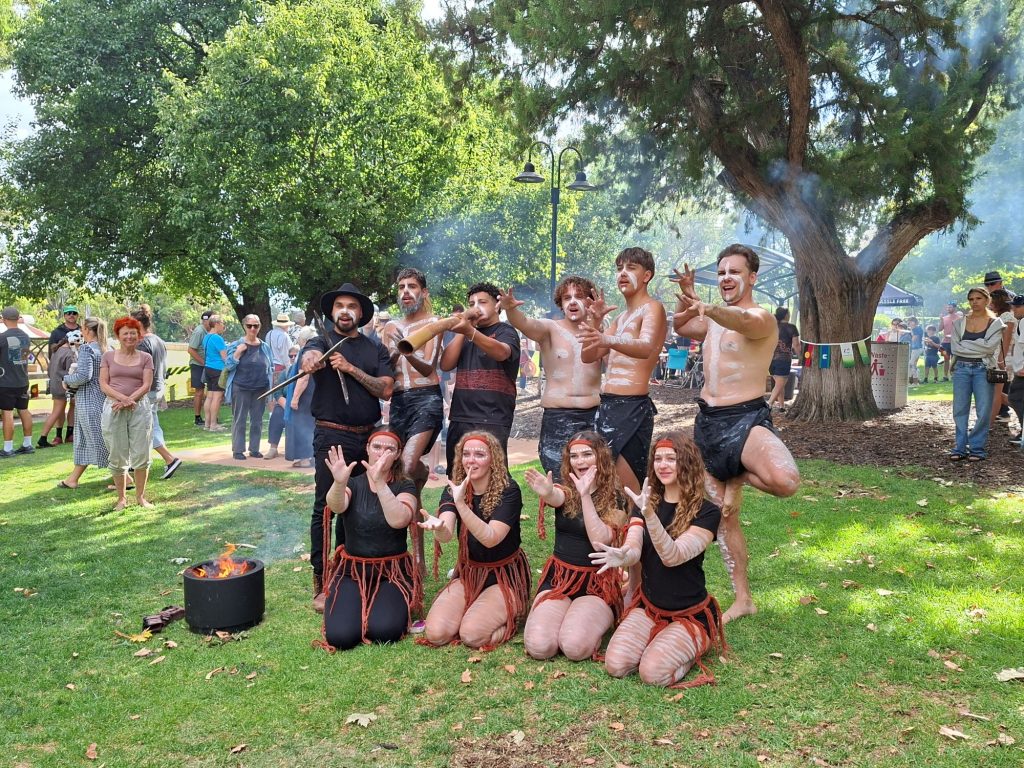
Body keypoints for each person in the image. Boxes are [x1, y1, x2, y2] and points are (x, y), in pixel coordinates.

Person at [672, 244, 800, 623]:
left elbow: (745, 323)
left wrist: (708, 306)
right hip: (708, 423)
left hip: (744, 419)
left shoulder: (762, 317)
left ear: (752, 277)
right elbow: (681, 326)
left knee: (786, 481)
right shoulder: (713, 320)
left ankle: (737, 475)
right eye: (722, 271)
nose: (727, 277)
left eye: (735, 271)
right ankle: (743, 598)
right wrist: (687, 299)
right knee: (724, 519)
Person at [593, 432, 726, 688]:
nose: (662, 465)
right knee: (616, 665)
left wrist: (650, 516)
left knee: (653, 674)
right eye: (658, 458)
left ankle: (696, 642)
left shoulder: (706, 512)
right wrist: (623, 555)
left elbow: (672, 557)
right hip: (650, 607)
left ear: (686, 463)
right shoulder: (646, 504)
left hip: (690, 613)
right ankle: (662, 641)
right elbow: (634, 545)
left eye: (671, 459)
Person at [299, 283, 394, 612]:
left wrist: (351, 369)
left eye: (351, 306)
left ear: (360, 314)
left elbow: (385, 389)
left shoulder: (374, 349)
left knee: (356, 505)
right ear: (331, 312)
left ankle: (348, 571)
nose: (344, 310)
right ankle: (322, 578)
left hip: (367, 438)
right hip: (331, 435)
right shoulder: (319, 342)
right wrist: (312, 362)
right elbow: (308, 356)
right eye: (339, 305)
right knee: (326, 507)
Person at [418, 431, 530, 649]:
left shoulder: (509, 490)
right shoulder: (455, 489)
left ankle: (512, 613)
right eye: (466, 454)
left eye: (480, 454)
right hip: (470, 572)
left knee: (472, 635)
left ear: (493, 459)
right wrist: (438, 529)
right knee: (436, 633)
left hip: (504, 576)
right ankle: (478, 609)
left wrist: (461, 505)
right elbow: (447, 534)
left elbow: (491, 538)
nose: (471, 460)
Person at [522, 431, 626, 661]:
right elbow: (556, 497)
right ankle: (567, 614)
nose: (580, 462)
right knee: (540, 647)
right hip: (560, 579)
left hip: (596, 584)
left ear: (600, 457)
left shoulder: (617, 498)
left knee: (574, 648)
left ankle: (595, 620)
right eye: (574, 456)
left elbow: (600, 541)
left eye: (587, 454)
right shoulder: (567, 490)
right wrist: (548, 492)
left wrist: (586, 495)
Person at [318, 431, 420, 650]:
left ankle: (378, 603)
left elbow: (399, 520)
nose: (382, 453)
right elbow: (336, 506)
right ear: (367, 449)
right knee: (341, 637)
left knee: (385, 632)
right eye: (377, 447)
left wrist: (380, 483)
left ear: (398, 454)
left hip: (392, 572)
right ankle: (362, 603)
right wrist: (338, 482)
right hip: (352, 572)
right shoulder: (353, 484)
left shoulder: (405, 485)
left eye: (389, 449)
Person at [579, 247, 667, 494]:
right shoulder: (619, 319)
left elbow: (646, 347)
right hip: (607, 406)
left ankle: (637, 530)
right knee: (607, 483)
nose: (623, 274)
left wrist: (606, 340)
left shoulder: (653, 308)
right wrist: (595, 321)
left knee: (627, 488)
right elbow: (588, 356)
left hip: (632, 406)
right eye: (619, 268)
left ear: (647, 275)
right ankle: (618, 531)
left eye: (631, 268)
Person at [499, 276, 603, 480]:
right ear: (561, 304)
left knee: (595, 484)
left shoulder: (600, 332)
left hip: (594, 417)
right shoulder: (549, 328)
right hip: (557, 417)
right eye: (567, 298)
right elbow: (524, 322)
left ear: (590, 300)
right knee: (560, 482)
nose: (572, 301)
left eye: (579, 296)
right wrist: (511, 309)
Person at [439, 282, 520, 472]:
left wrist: (470, 331)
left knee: (493, 477)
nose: (476, 307)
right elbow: (446, 365)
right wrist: (463, 330)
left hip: (492, 419)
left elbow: (501, 352)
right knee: (458, 473)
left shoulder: (506, 331)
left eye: (482, 302)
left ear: (497, 306)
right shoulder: (465, 335)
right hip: (460, 417)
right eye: (472, 303)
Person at [99, 316, 155, 511]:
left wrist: (130, 400)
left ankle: (140, 497)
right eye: (125, 333)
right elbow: (103, 383)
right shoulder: (107, 356)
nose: (129, 336)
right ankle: (121, 498)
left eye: (133, 332)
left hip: (139, 408)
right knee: (116, 453)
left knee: (142, 453)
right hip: (114, 407)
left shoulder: (146, 358)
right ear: (118, 335)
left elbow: (146, 385)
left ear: (138, 335)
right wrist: (122, 399)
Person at [949, 287, 1006, 461]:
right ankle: (959, 447)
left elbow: (989, 348)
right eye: (971, 299)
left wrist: (966, 345)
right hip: (961, 369)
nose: (974, 302)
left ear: (987, 300)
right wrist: (978, 346)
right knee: (959, 409)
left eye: (978, 298)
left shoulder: (996, 323)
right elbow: (955, 348)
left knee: (983, 410)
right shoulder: (960, 322)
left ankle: (977, 448)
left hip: (983, 369)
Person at [58, 318, 110, 488]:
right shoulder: (106, 349)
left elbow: (83, 376)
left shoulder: (87, 349)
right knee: (84, 441)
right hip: (101, 398)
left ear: (87, 329)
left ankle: (126, 477)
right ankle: (72, 479)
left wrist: (66, 379)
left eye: (82, 329)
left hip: (89, 400)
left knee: (100, 441)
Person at [132, 306, 183, 480]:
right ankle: (135, 464)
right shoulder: (158, 340)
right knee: (151, 425)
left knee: (146, 427)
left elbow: (139, 369)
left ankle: (170, 459)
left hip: (147, 390)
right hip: (157, 388)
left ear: (138, 323)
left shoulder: (143, 343)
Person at [224, 314, 273, 461]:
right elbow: (228, 365)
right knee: (240, 419)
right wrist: (238, 352)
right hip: (241, 387)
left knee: (257, 420)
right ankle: (238, 450)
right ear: (244, 326)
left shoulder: (265, 347)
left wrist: (270, 389)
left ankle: (254, 449)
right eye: (249, 326)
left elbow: (270, 368)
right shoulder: (236, 345)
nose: (253, 329)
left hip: (260, 388)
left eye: (256, 326)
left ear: (259, 327)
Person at [0, 306, 35, 457]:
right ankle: (27, 444)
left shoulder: (2, 337)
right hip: (22, 379)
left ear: (3, 319)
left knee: (6, 412)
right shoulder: (26, 336)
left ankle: (8, 448)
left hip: (6, 380)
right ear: (18, 318)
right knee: (24, 410)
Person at [37, 331, 80, 448]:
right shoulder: (69, 354)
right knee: (57, 411)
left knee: (60, 410)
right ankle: (43, 438)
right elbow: (72, 371)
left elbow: (49, 369)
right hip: (63, 386)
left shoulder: (57, 351)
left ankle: (60, 435)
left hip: (55, 385)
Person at [285, 330, 317, 467]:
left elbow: (303, 377)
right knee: (311, 426)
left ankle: (304, 458)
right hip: (315, 396)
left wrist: (295, 398)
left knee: (302, 426)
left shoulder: (306, 353)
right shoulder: (318, 352)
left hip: (305, 397)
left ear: (303, 340)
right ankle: (312, 457)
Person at [263, 313, 293, 460]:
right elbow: (287, 356)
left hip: (270, 367)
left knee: (272, 396)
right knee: (276, 396)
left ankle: (272, 414)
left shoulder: (269, 333)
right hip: (280, 366)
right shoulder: (285, 337)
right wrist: (289, 369)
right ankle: (273, 446)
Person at [988, 290, 1015, 425]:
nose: (989, 304)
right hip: (996, 358)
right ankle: (988, 423)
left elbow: (1007, 338)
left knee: (996, 392)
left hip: (1003, 358)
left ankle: (988, 424)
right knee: (996, 392)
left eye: (991, 301)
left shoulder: (1007, 316)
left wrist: (1001, 359)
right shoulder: (999, 316)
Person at [766, 307, 800, 411]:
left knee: (779, 384)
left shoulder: (773, 327)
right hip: (783, 359)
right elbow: (796, 345)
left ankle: (781, 406)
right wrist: (801, 357)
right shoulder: (791, 328)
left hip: (771, 360)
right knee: (780, 384)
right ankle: (769, 404)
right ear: (786, 315)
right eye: (789, 313)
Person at [201, 315, 228, 431]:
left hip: (208, 368)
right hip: (217, 369)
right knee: (217, 397)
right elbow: (224, 357)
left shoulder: (206, 337)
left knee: (210, 397)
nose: (223, 326)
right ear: (216, 324)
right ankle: (213, 424)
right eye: (222, 323)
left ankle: (207, 424)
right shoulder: (217, 338)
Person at [187, 310, 214, 426]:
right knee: (199, 391)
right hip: (198, 365)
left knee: (213, 391)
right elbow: (190, 350)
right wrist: (203, 363)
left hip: (209, 364)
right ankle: (197, 417)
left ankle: (212, 416)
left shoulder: (211, 332)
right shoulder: (199, 332)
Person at [1006, 295, 1024, 445]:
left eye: (1017, 306)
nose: (1014, 309)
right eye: (1013, 306)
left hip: (1022, 371)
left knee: (1014, 398)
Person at [939, 303, 962, 381]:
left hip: (955, 342)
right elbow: (940, 329)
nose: (948, 308)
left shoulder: (959, 318)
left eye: (950, 307)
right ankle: (945, 376)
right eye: (947, 307)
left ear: (954, 308)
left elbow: (962, 330)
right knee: (946, 359)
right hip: (945, 343)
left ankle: (953, 375)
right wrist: (941, 320)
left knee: (954, 359)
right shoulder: (944, 318)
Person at [907, 317, 924, 384]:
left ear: (915, 322)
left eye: (912, 321)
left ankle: (915, 381)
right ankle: (913, 380)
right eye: (910, 321)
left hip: (917, 348)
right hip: (915, 348)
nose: (910, 323)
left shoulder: (916, 328)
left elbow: (914, 338)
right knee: (913, 364)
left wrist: (909, 343)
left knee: (911, 364)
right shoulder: (914, 329)